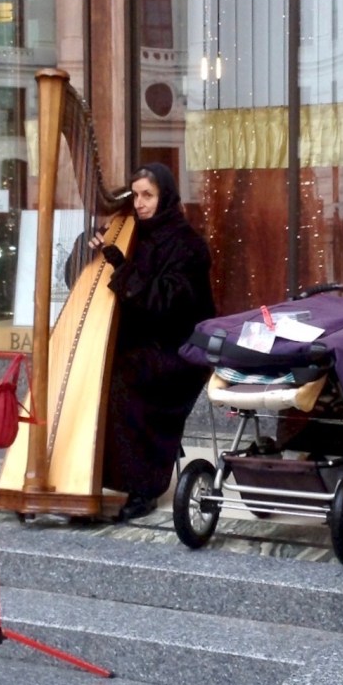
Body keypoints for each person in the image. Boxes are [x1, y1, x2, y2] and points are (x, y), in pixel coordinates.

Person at [89, 163, 216, 522]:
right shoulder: (129, 234)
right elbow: (86, 281)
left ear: (166, 197)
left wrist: (120, 266)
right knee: (98, 373)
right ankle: (91, 475)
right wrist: (92, 251)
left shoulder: (188, 245)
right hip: (140, 342)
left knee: (127, 380)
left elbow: (169, 303)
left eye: (149, 195)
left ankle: (142, 486)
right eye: (136, 196)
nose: (141, 203)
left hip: (178, 349)